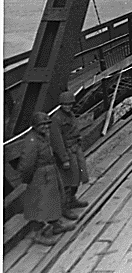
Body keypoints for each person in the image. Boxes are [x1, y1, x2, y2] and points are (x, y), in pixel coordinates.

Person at [19, 112, 76, 245]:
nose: (45, 127)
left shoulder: (44, 136)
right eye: (42, 125)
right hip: (40, 175)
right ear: (34, 126)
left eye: (47, 124)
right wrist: (28, 179)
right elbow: (27, 163)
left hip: (50, 171)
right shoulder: (32, 140)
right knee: (42, 204)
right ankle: (39, 234)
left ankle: (55, 225)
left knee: (54, 199)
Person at [50, 91, 89, 210]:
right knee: (68, 180)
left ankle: (72, 199)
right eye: (65, 104)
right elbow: (57, 141)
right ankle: (65, 207)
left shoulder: (71, 115)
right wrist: (64, 159)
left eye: (70, 104)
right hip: (67, 152)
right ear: (61, 104)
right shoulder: (56, 119)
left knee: (78, 176)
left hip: (76, 149)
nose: (67, 107)